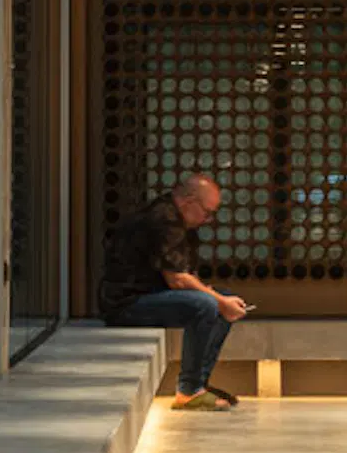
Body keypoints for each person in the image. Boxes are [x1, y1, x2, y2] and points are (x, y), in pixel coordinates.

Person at [101, 173, 247, 409]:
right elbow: (177, 279)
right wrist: (219, 300)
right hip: (127, 304)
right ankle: (190, 389)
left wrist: (220, 297)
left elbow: (184, 272)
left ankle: (199, 383)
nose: (208, 219)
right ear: (189, 201)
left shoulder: (179, 221)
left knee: (219, 300)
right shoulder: (163, 219)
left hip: (150, 296)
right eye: (207, 212)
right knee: (208, 304)